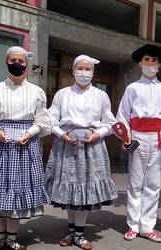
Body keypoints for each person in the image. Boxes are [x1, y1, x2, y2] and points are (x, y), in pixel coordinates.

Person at [0, 46, 51, 250]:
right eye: (13, 60)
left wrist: (30, 133)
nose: (17, 64)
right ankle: (1, 238)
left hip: (26, 143)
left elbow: (42, 119)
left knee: (17, 190)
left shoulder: (36, 91)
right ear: (7, 62)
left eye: (21, 61)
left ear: (26, 64)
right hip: (0, 142)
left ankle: (12, 239)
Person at [45, 55, 118, 250]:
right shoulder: (62, 94)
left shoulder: (101, 95)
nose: (84, 73)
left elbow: (110, 123)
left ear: (93, 73)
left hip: (91, 146)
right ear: (73, 71)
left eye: (88, 69)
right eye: (80, 68)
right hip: (67, 144)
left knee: (84, 189)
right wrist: (61, 134)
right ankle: (71, 232)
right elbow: (50, 119)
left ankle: (79, 234)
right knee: (70, 188)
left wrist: (98, 134)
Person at [116, 44, 161, 243]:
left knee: (153, 183)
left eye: (155, 61)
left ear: (160, 65)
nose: (151, 64)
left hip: (157, 138)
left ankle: (148, 226)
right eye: (147, 60)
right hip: (138, 137)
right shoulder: (133, 88)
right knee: (135, 182)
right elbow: (123, 115)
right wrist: (126, 137)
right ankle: (133, 225)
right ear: (140, 62)